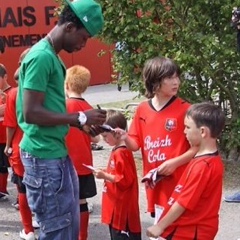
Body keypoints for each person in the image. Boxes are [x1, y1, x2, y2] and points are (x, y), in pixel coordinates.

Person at [16, 0, 106, 239]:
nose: (83, 44)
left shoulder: (49, 56)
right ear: (68, 27)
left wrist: (81, 123)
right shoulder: (42, 57)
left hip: (53, 153)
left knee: (67, 227)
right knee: (57, 230)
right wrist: (78, 116)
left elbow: (42, 104)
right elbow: (31, 113)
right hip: (43, 157)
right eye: (84, 37)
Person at [115, 57, 197, 220]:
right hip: (155, 185)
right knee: (160, 229)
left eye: (177, 77)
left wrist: (174, 163)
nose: (176, 82)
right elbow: (135, 145)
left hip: (181, 184)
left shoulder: (186, 110)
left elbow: (198, 148)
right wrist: (124, 137)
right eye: (169, 77)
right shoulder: (142, 109)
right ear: (154, 81)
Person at [146, 102, 226, 240]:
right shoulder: (203, 159)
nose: (184, 131)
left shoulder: (203, 166)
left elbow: (184, 202)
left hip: (189, 231)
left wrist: (160, 226)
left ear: (202, 132)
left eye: (188, 127)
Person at [3, 48, 37, 240]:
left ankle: (28, 229)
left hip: (20, 146)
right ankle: (40, 222)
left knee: (22, 188)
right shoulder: (44, 90)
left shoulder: (14, 94)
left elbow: (10, 123)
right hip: (42, 147)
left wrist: (8, 145)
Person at [65, 65, 100, 240]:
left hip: (65, 162)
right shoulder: (89, 107)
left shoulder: (62, 106)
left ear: (67, 84)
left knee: (64, 202)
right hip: (84, 161)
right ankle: (82, 236)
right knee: (82, 201)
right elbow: (96, 139)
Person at [94, 110, 142, 240]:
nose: (104, 140)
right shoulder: (118, 150)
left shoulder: (121, 153)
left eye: (105, 136)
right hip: (117, 205)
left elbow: (125, 180)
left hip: (122, 209)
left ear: (116, 132)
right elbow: (117, 172)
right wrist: (105, 171)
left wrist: (105, 176)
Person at [0, 63, 12, 199]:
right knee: (1, 166)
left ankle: (22, 197)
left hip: (10, 138)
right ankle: (2, 190)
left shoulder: (12, 93)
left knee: (15, 169)